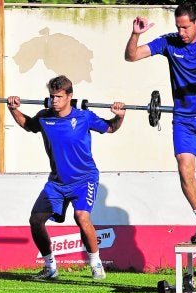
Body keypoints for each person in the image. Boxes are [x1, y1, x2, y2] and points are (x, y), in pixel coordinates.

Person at [124, 1, 196, 244]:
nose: (182, 32)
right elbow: (131, 56)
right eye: (178, 27)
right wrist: (135, 34)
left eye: (186, 27)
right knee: (184, 168)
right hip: (184, 119)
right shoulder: (169, 41)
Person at [7, 75, 125, 280]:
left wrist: (120, 115)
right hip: (57, 182)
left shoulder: (84, 117)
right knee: (35, 220)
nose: (54, 101)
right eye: (52, 96)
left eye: (59, 97)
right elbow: (28, 125)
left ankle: (96, 263)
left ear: (69, 96)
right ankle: (50, 266)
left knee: (81, 217)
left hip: (84, 179)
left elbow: (111, 127)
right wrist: (13, 109)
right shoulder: (44, 117)